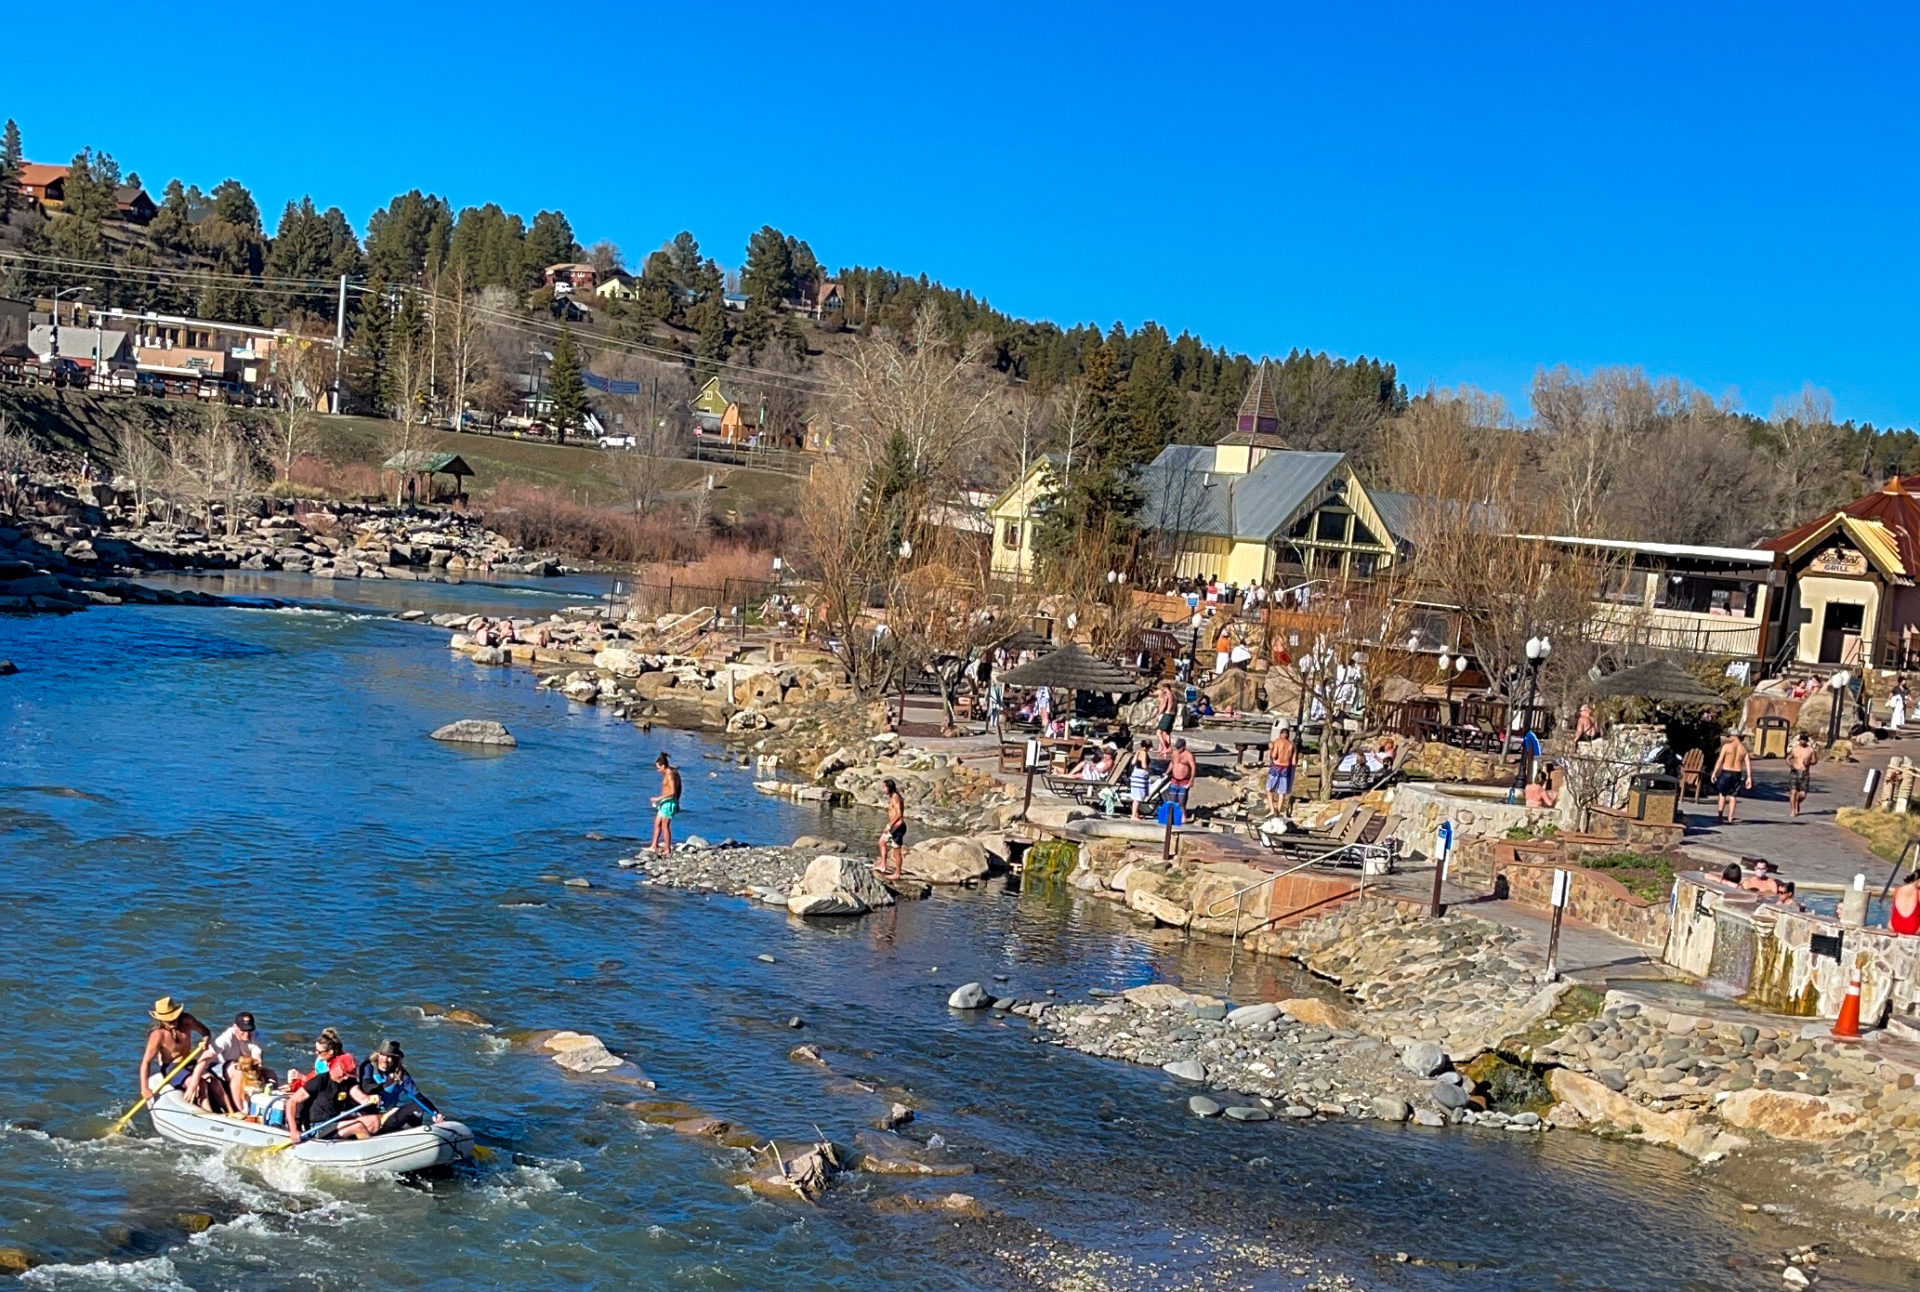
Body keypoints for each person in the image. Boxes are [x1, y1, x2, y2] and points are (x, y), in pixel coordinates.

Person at [338, 1040, 445, 1140]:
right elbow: (366, 1087)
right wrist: (386, 1084)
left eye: (390, 1057)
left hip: (387, 1115)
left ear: (395, 1059)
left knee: (417, 1109)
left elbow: (417, 1096)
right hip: (366, 1115)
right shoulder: (368, 1067)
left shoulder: (401, 1075)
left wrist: (435, 1113)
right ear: (378, 1054)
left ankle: (411, 1140)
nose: (385, 1060)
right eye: (383, 1055)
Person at [284, 1029, 360, 1145]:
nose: (316, 1053)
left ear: (330, 1052)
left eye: (319, 1051)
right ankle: (298, 1127)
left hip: (332, 1107)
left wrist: (302, 1079)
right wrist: (296, 1083)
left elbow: (318, 1082)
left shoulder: (338, 1066)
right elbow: (314, 1080)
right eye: (316, 1050)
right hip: (321, 1106)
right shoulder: (322, 1062)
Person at [137, 997, 214, 1111]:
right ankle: (208, 1112)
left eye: (173, 1018)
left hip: (190, 1062)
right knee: (197, 1082)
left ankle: (229, 1111)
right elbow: (146, 1062)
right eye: (168, 1020)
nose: (172, 1021)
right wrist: (144, 1088)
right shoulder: (158, 1035)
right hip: (171, 1068)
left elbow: (206, 1032)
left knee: (212, 1080)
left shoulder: (187, 1020)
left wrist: (205, 1041)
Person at [190, 1010, 264, 1114]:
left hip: (242, 1066)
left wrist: (257, 1065)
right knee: (238, 1071)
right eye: (243, 1030)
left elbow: (257, 1057)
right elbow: (205, 1057)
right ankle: (241, 1110)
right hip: (217, 1067)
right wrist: (194, 1082)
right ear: (235, 1027)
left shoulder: (256, 1036)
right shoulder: (227, 1038)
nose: (247, 1035)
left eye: (249, 1030)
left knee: (270, 1073)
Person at [1710, 731, 1753, 823]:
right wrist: (1749, 777)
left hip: (1726, 772)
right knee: (1733, 795)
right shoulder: (1743, 749)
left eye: (1729, 736)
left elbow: (1720, 760)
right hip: (1737, 773)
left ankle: (1720, 817)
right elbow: (1748, 764)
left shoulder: (1727, 747)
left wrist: (1714, 773)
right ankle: (1730, 818)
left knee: (1722, 794)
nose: (1728, 738)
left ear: (1734, 736)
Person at [649, 752, 681, 856]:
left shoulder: (670, 774)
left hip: (669, 802)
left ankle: (667, 849)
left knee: (665, 826)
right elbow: (679, 787)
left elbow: (672, 791)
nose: (658, 770)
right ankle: (653, 846)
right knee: (657, 822)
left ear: (663, 766)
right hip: (665, 802)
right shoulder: (670, 773)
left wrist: (658, 798)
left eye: (658, 768)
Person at [1265, 722, 1296, 817]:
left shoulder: (1277, 741)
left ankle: (1271, 810)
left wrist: (1271, 749)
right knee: (1281, 791)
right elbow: (1294, 762)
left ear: (1280, 734)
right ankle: (1278, 810)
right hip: (1286, 768)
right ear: (1288, 735)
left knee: (1269, 789)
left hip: (1276, 767)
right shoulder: (1292, 745)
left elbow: (1274, 755)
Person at [877, 778, 907, 879]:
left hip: (897, 827)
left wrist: (889, 825)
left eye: (884, 787)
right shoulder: (892, 796)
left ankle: (897, 873)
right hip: (894, 826)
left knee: (896, 852)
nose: (882, 789)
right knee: (881, 842)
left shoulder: (895, 797)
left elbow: (899, 814)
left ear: (889, 787)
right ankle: (883, 865)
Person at [1786, 733, 1818, 817]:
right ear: (1799, 740)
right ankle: (1793, 811)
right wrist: (1790, 765)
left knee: (1803, 794)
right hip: (1795, 772)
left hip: (1805, 773)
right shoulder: (1795, 749)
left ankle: (1797, 802)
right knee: (1793, 791)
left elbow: (1815, 761)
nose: (1802, 741)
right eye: (1801, 739)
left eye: (1804, 740)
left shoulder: (1810, 750)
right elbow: (1788, 758)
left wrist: (1809, 762)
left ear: (1807, 740)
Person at [1167, 738, 1196, 814]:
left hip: (1184, 781)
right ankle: (1172, 815)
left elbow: (1193, 768)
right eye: (1177, 748)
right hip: (1174, 779)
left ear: (1184, 746)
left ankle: (1184, 816)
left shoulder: (1189, 755)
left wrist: (1191, 781)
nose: (1178, 750)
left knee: (1182, 801)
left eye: (1179, 748)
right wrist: (1166, 772)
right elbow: (1172, 763)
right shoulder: (1174, 753)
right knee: (1171, 800)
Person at [1128, 741, 1154, 821]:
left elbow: (1133, 762)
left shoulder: (1138, 751)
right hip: (1141, 775)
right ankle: (1133, 815)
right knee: (1138, 797)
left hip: (1135, 773)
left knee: (1136, 795)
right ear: (1147, 747)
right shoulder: (1144, 753)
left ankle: (1136, 814)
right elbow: (1144, 765)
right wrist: (1149, 769)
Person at [1892, 871, 1920, 936]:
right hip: (1913, 929)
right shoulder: (1918, 893)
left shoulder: (1897, 890)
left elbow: (1893, 912)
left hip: (1895, 927)